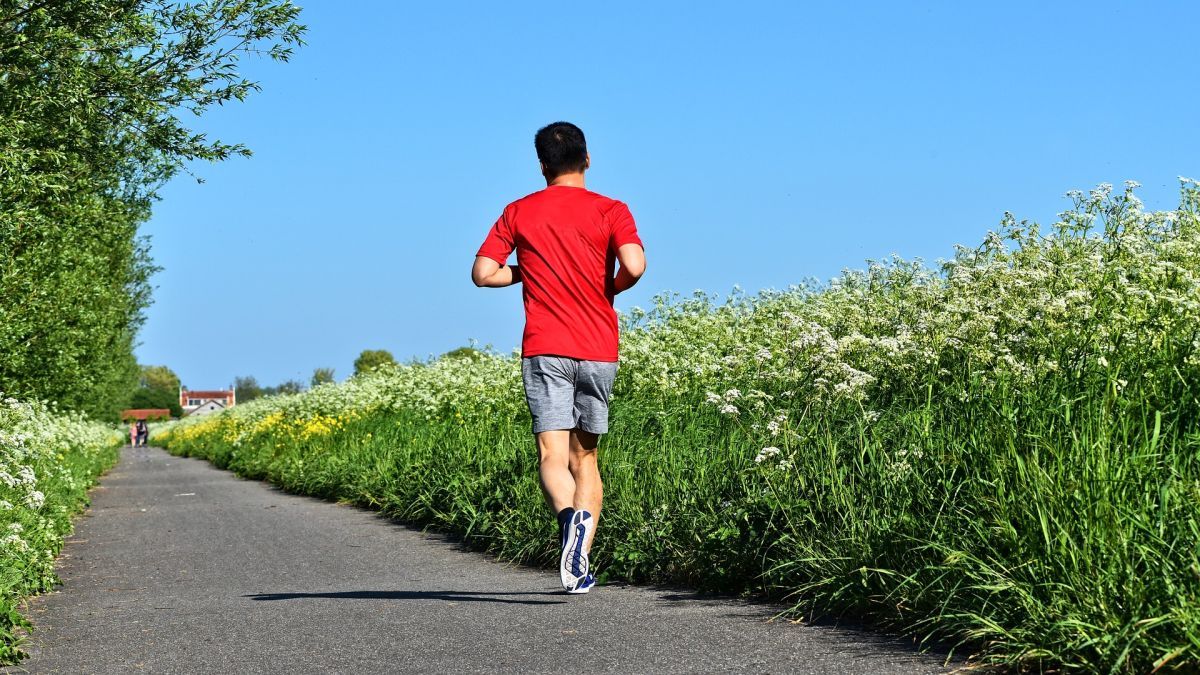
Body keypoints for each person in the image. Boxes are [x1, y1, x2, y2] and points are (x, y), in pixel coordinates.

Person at [472, 121, 646, 594]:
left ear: (542, 165)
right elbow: (634, 265)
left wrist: (526, 273)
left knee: (551, 453)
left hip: (545, 345)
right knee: (585, 458)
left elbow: (483, 274)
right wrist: (608, 287)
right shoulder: (612, 210)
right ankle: (580, 558)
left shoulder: (519, 211)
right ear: (587, 160)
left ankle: (568, 522)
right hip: (597, 345)